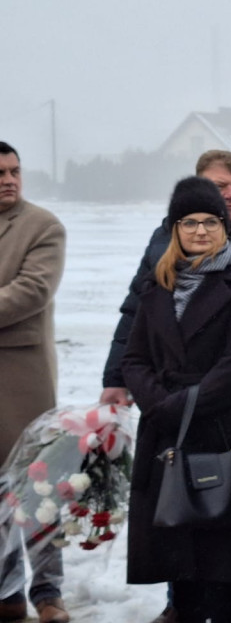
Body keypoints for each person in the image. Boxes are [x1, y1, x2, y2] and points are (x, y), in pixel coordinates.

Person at [100, 150, 231, 623]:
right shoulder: (162, 258)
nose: (228, 194)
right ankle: (180, 603)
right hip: (170, 409)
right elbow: (135, 324)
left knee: (230, 505)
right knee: (176, 503)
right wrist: (131, 385)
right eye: (218, 186)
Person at [121, 176, 231, 623]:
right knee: (176, 559)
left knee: (221, 564)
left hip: (222, 431)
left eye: (211, 221)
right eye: (189, 222)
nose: (200, 231)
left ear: (224, 226)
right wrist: (158, 403)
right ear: (174, 227)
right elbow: (135, 358)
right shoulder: (155, 286)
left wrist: (180, 404)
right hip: (165, 434)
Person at [0, 142, 69, 623]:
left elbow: (31, 291)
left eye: (15, 171)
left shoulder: (42, 226)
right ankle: (7, 594)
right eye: (0, 172)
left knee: (36, 490)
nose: (9, 179)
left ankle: (48, 593)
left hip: (21, 381)